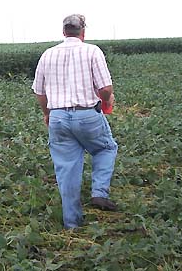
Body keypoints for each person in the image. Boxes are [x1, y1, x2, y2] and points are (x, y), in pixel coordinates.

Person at [32, 14, 118, 229]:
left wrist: (47, 113)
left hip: (58, 116)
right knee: (105, 148)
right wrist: (107, 101)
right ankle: (99, 192)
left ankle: (72, 224)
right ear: (83, 32)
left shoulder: (48, 54)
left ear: (63, 32)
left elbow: (40, 92)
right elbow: (105, 88)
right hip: (87, 113)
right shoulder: (92, 51)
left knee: (66, 169)